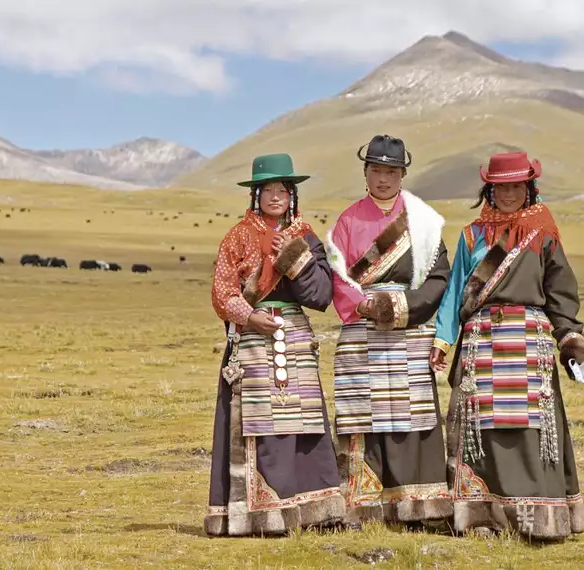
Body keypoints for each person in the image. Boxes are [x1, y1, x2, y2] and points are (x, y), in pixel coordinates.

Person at [430, 151, 584, 540]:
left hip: (527, 339)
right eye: (501, 187)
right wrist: (443, 339)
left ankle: (540, 518)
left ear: (529, 188)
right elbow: (455, 293)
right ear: (489, 189)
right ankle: (484, 518)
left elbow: (560, 291)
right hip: (481, 341)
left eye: (517, 186)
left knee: (533, 427)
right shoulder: (471, 235)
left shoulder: (543, 233)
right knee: (483, 428)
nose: (509, 194)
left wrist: (569, 336)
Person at [205, 152, 345, 537]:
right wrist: (249, 317)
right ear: (255, 193)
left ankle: (311, 510)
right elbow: (221, 293)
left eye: (282, 189)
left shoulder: (305, 235)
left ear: (292, 193)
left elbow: (321, 295)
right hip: (251, 337)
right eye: (267, 189)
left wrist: (294, 257)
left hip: (295, 335)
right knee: (258, 425)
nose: (275, 196)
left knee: (302, 422)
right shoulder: (237, 236)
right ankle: (255, 511)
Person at [325, 135, 453, 525]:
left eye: (391, 172)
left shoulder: (424, 221)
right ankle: (365, 506)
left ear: (402, 174)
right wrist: (364, 305)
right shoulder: (348, 220)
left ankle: (420, 505)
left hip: (409, 328)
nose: (383, 178)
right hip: (362, 329)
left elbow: (438, 277)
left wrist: (401, 308)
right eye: (377, 170)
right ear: (366, 172)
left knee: (411, 413)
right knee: (364, 415)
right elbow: (337, 275)